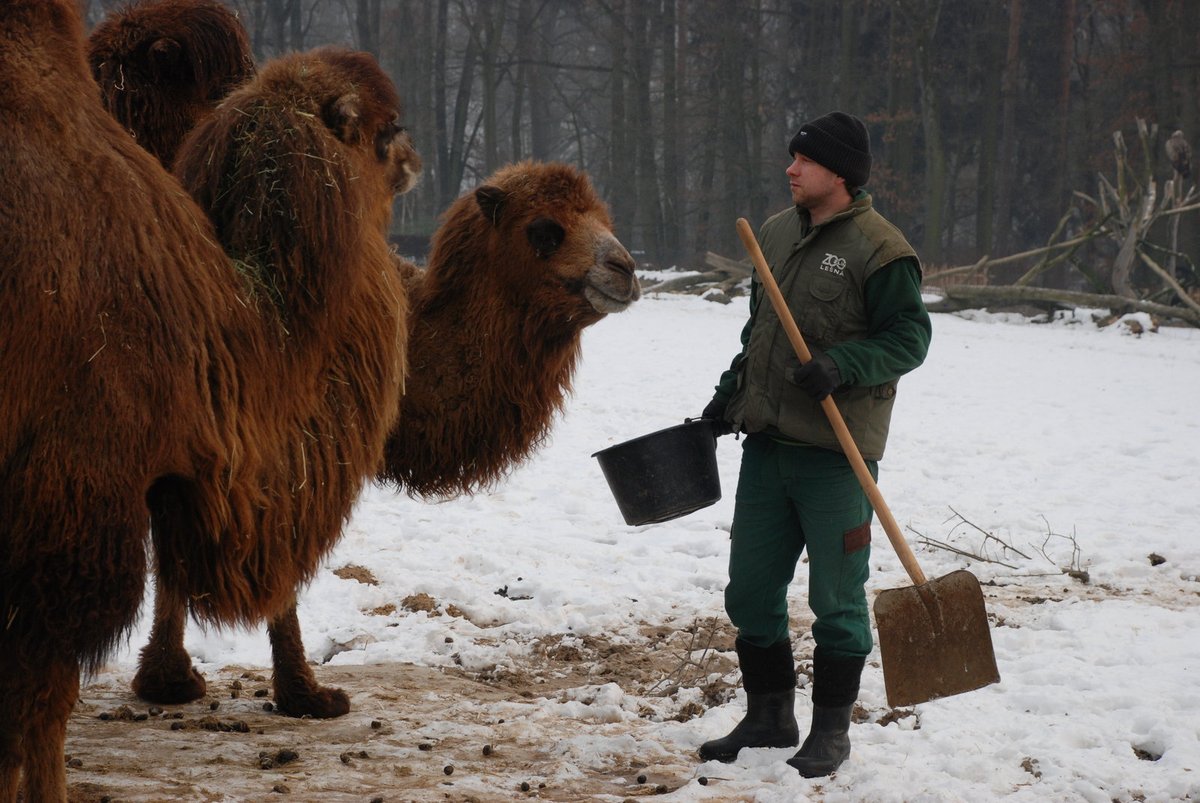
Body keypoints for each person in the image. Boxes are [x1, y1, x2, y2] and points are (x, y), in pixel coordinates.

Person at [697, 111, 931, 777]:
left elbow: (909, 338)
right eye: (792, 158)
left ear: (840, 173)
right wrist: (728, 394)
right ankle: (769, 714)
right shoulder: (774, 232)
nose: (790, 169)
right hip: (769, 449)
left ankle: (831, 730)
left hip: (835, 455)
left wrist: (843, 363)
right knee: (749, 592)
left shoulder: (880, 250)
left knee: (837, 598)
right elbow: (759, 333)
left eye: (803, 160)